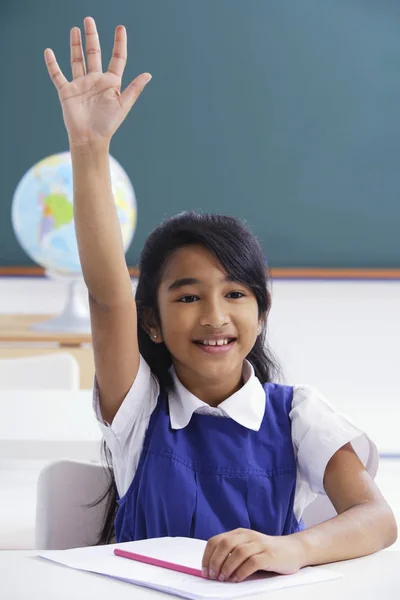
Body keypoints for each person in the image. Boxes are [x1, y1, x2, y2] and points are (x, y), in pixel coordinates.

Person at [45, 16, 397, 584]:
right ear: (152, 325)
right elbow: (109, 296)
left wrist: (292, 548)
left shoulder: (298, 414)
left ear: (261, 314)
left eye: (235, 293)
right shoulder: (138, 410)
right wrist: (89, 146)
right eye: (186, 297)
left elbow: (377, 519)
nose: (214, 316)